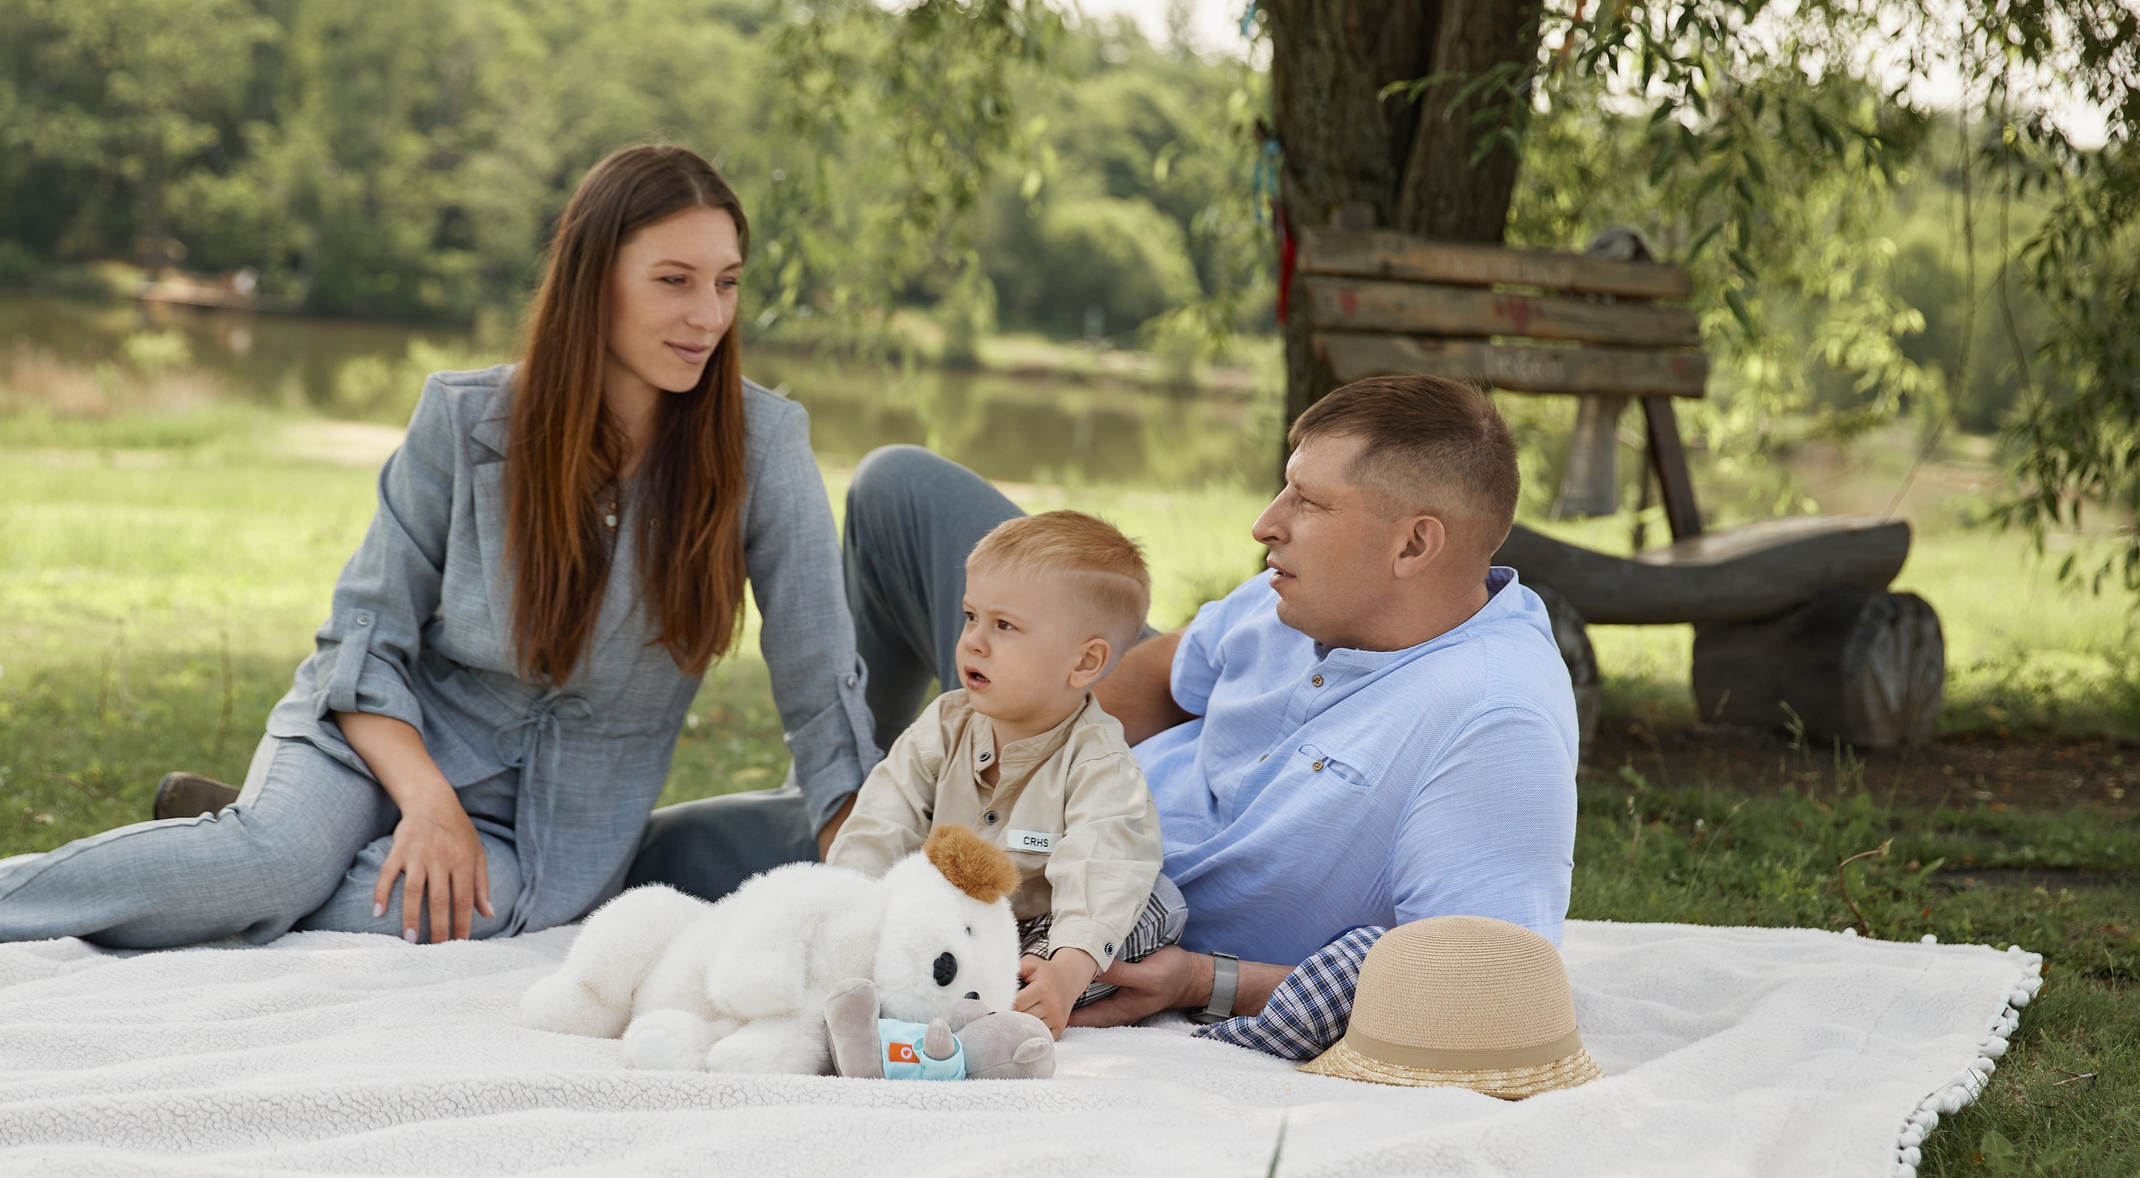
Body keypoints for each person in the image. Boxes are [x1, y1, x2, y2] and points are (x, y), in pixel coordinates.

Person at [0, 143, 877, 963]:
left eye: (725, 283)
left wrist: (866, 869)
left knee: (474, 922)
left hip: (557, 821)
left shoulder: (761, 446)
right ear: (596, 282)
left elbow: (819, 680)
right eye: (672, 281)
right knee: (275, 870)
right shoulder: (467, 421)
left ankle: (218, 848)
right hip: (383, 738)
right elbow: (365, 637)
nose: (705, 316)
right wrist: (421, 798)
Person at [660, 372, 1580, 1061]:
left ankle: (820, 827)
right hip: (1020, 794)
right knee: (901, 485)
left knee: (662, 861)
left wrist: (1200, 980)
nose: (1266, 522)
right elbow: (1160, 673)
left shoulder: (1493, 724)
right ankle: (848, 801)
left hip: (1062, 898)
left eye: (1308, 500)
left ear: (1415, 543)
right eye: (1283, 486)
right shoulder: (1295, 598)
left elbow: (1482, 983)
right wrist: (1021, 746)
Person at [822, 511, 1184, 1036]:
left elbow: (1103, 860)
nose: (973, 641)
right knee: (886, 920)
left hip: (1032, 931)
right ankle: (904, 983)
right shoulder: (946, 724)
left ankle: (1010, 999)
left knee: (1152, 904)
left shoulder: (1099, 762)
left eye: (1004, 626)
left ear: (1083, 664)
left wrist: (1067, 968)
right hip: (940, 911)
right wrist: (850, 911)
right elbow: (883, 817)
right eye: (971, 616)